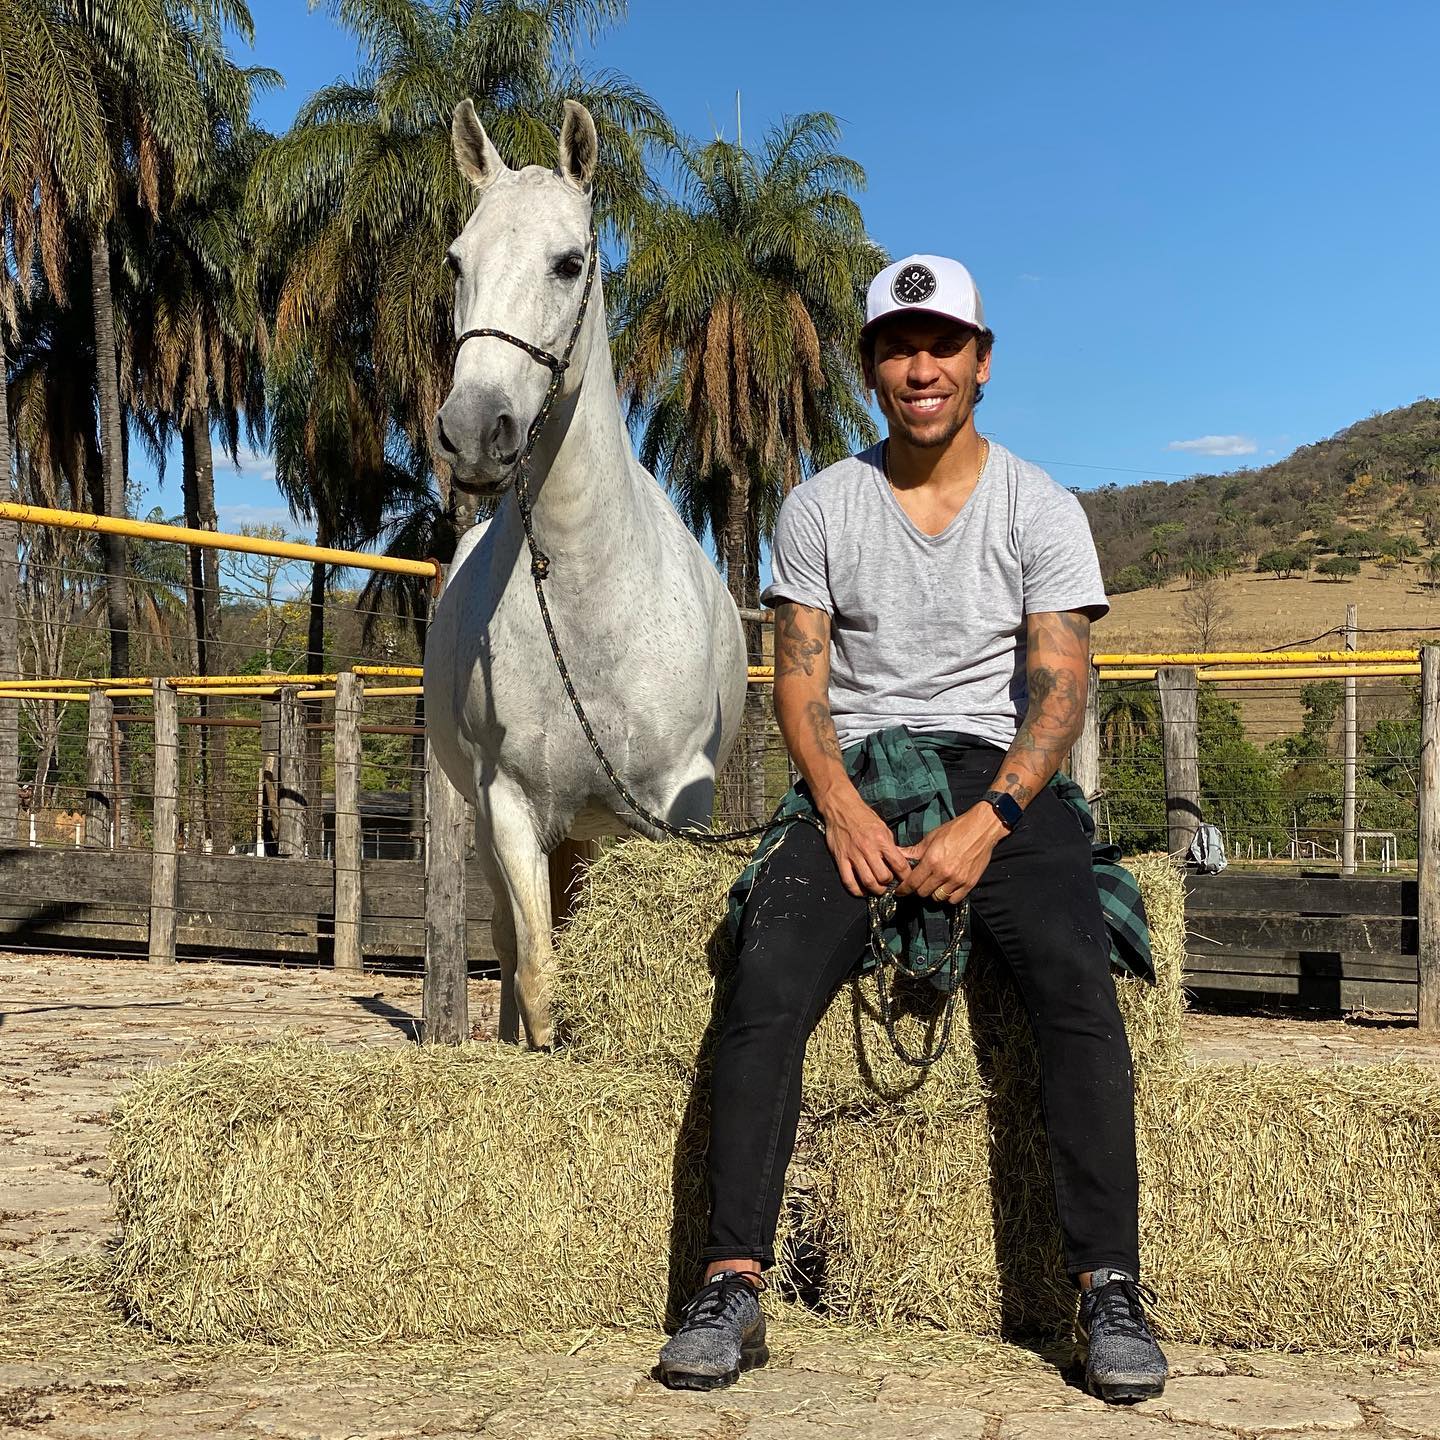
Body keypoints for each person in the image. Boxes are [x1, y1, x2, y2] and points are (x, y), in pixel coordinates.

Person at [656, 255, 1168, 1404]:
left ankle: (1108, 1287)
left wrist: (992, 820)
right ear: (871, 368)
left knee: (1078, 989)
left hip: (999, 784)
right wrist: (835, 807)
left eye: (942, 345)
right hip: (862, 780)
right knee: (765, 975)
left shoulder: (1039, 505)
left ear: (982, 363)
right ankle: (731, 1281)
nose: (920, 367)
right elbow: (798, 682)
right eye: (897, 347)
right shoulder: (822, 504)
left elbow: (1059, 687)